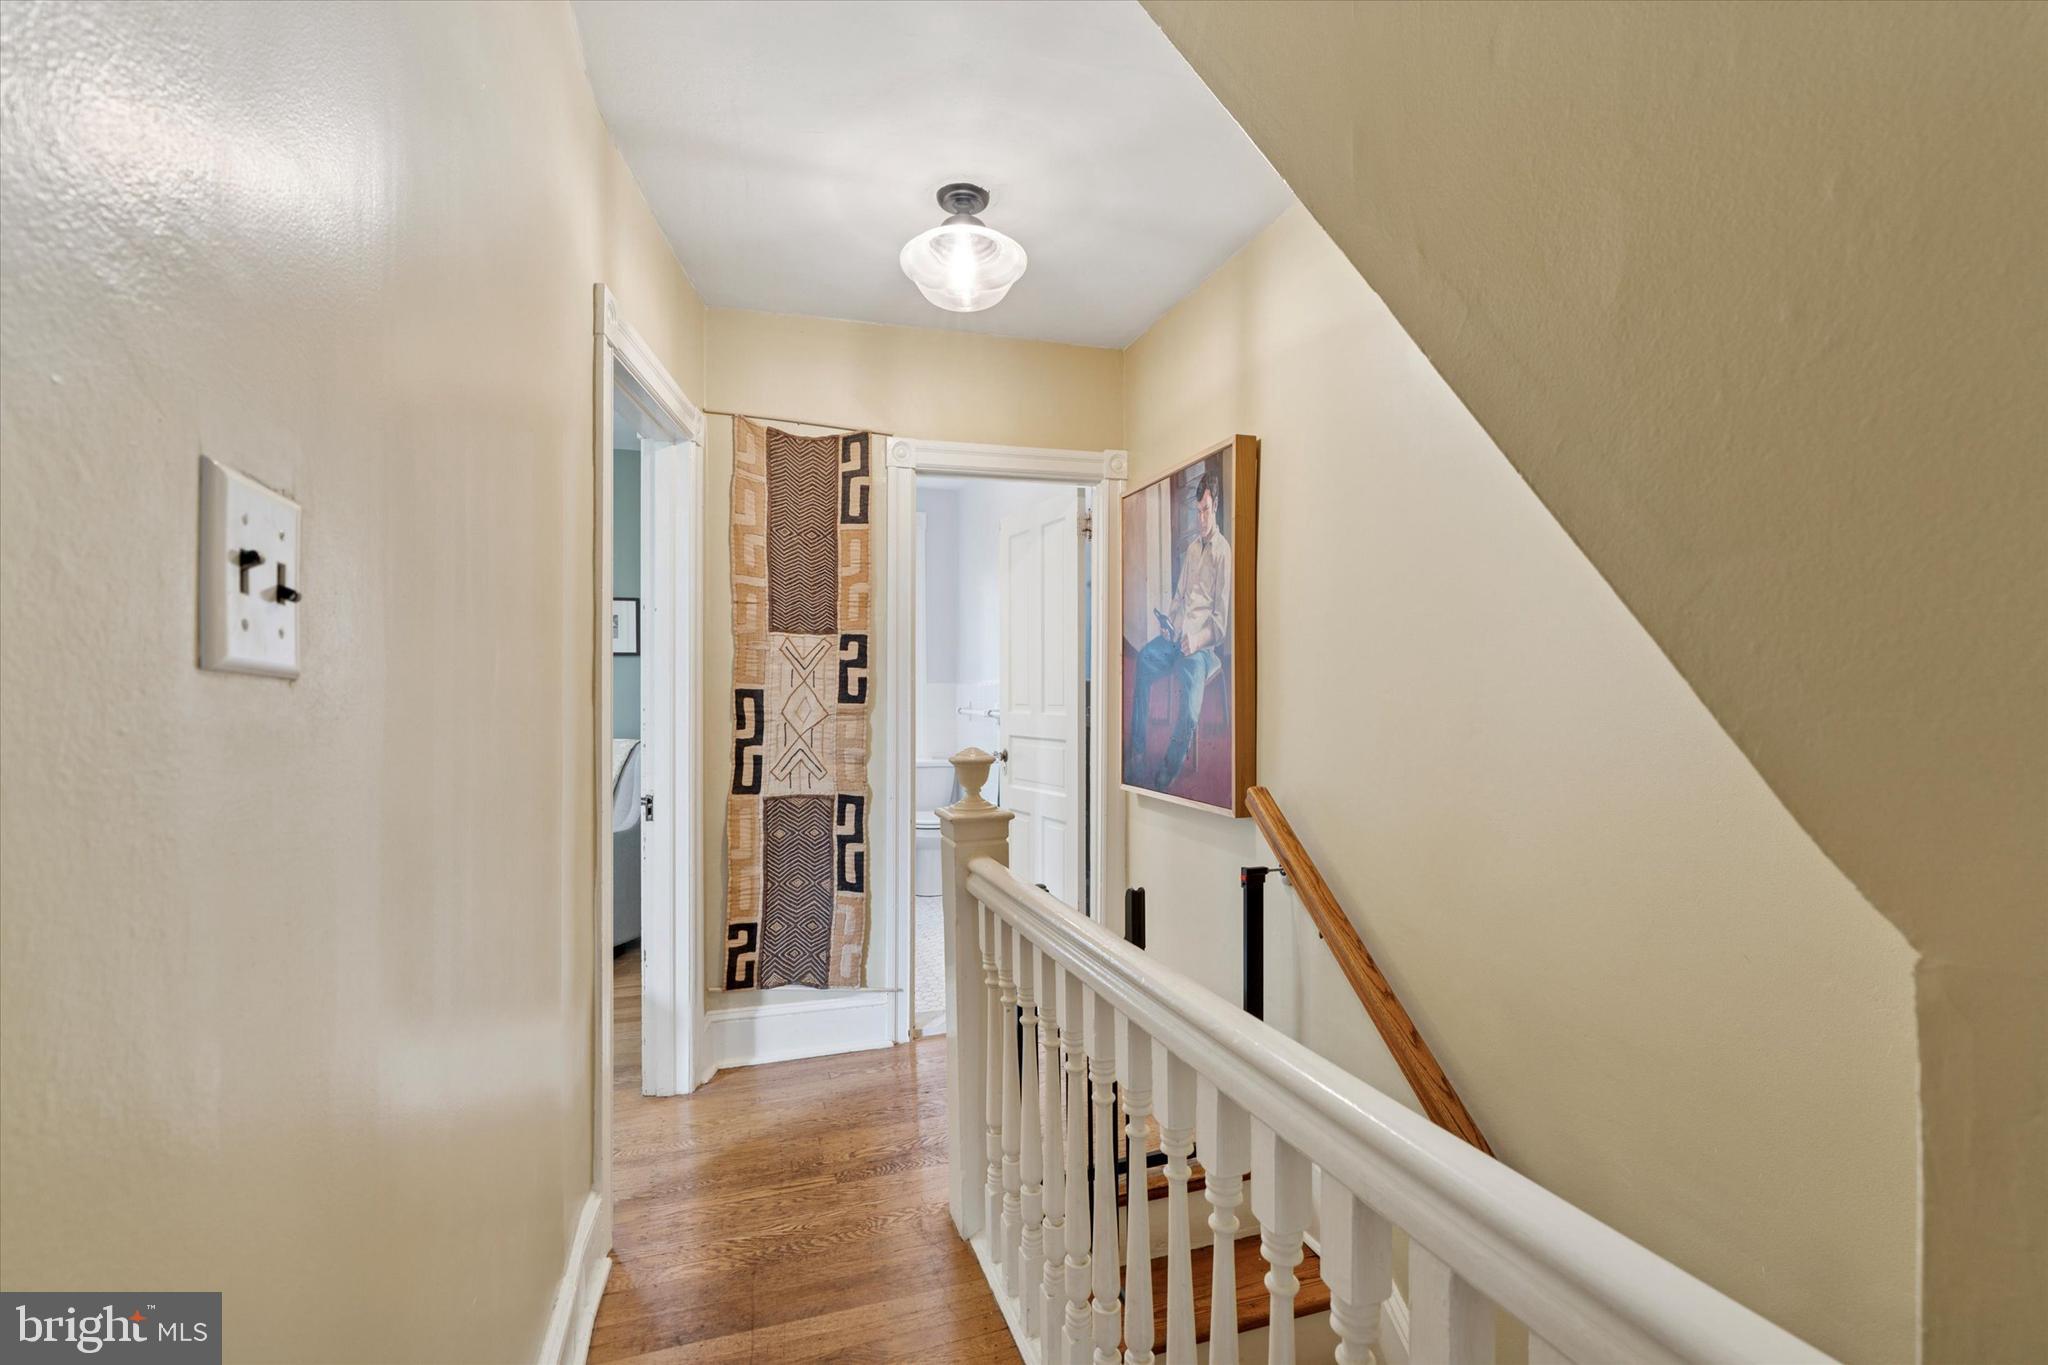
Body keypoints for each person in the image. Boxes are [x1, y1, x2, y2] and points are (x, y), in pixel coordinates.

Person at [1129, 471, 1231, 788]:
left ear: (1215, 508)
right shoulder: (1191, 551)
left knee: (1190, 710)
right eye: (1198, 511)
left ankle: (1169, 768)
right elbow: (1179, 597)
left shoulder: (1223, 553)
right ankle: (1137, 750)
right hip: (1176, 640)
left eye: (1206, 510)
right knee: (1143, 660)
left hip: (1201, 650)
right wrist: (1170, 625)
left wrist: (1195, 641)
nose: (1201, 519)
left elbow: (1221, 624)